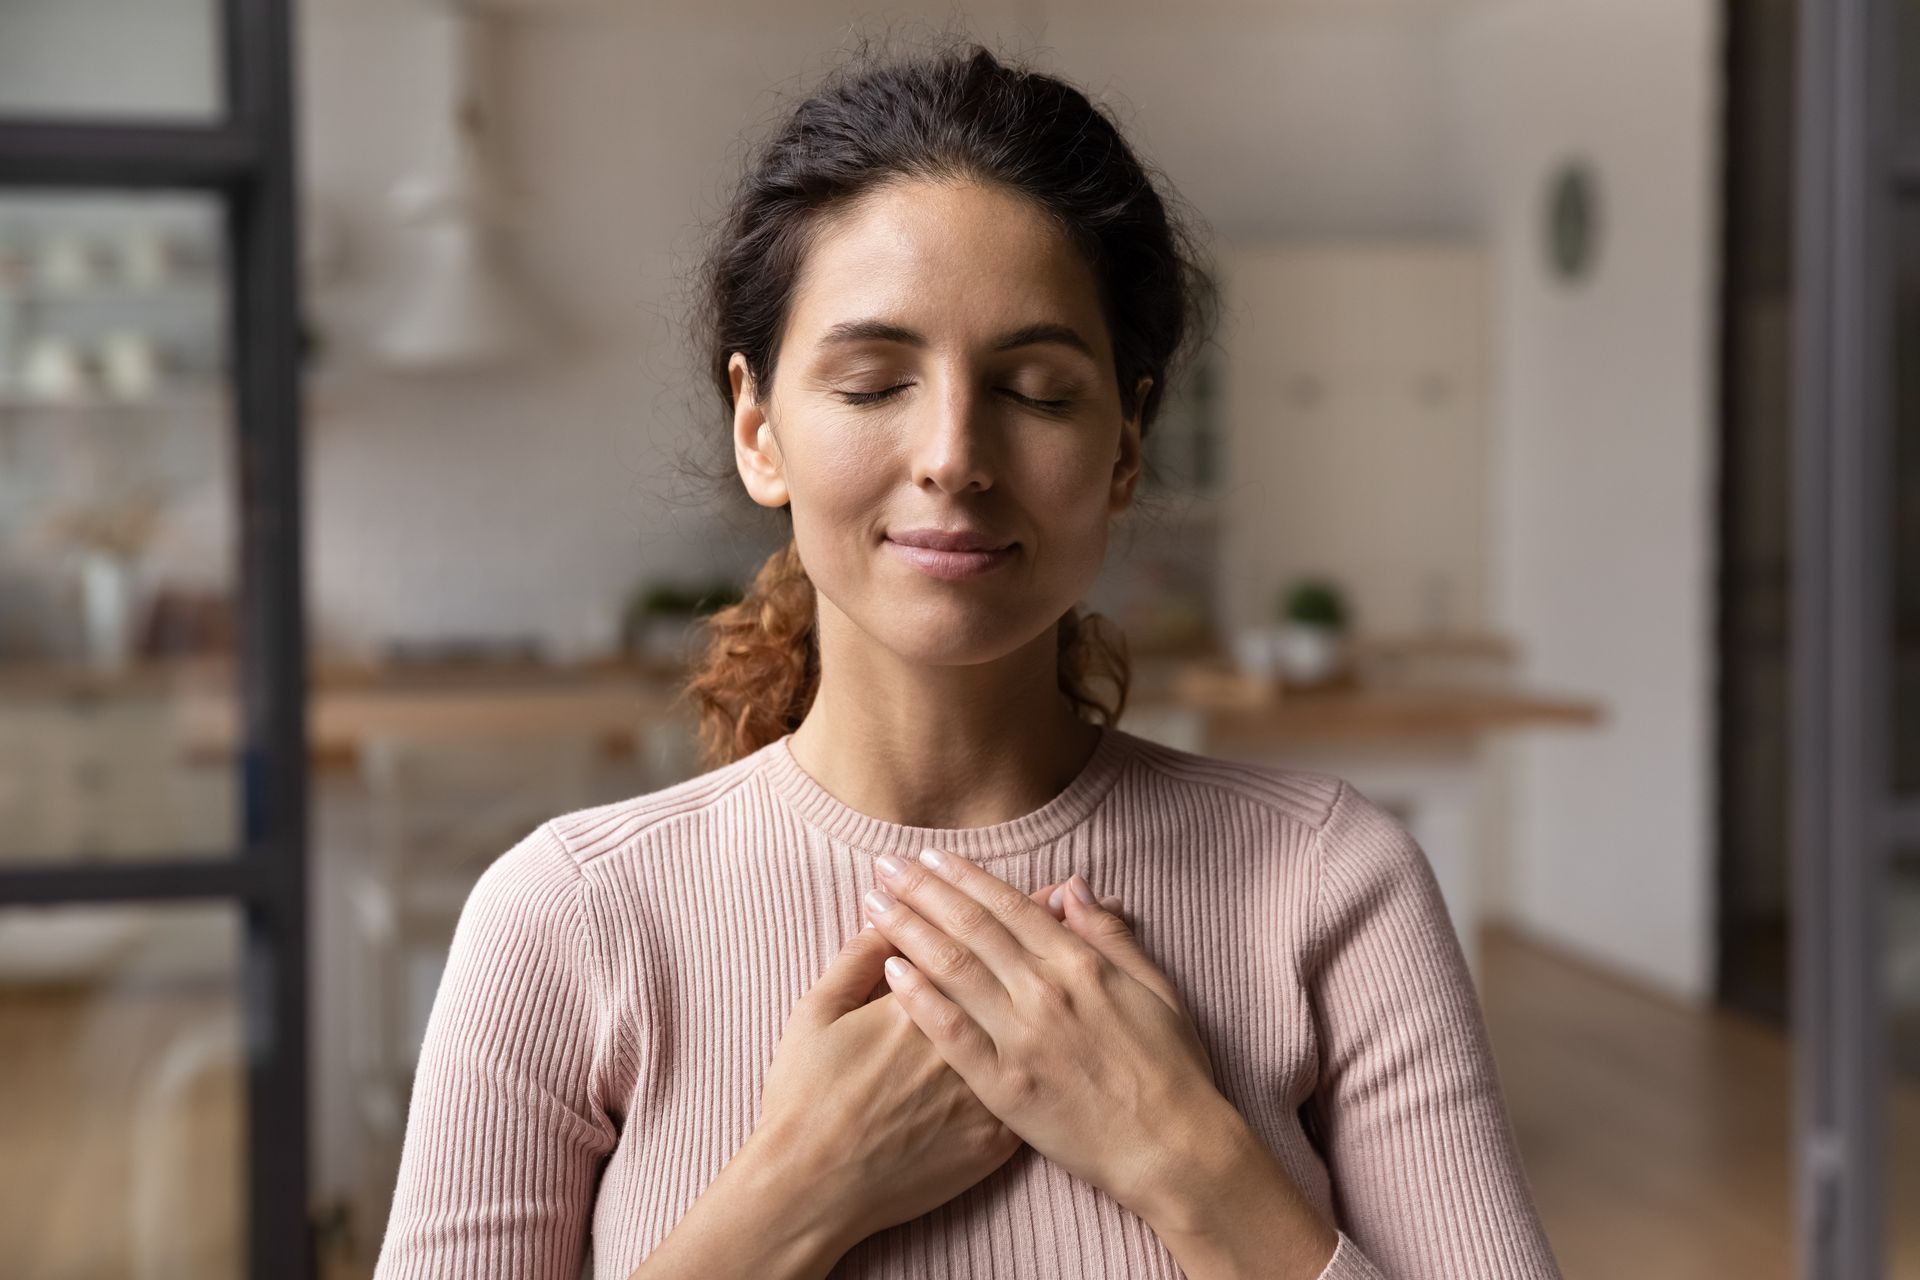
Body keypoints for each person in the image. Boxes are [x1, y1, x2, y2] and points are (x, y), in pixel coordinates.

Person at [373, 37, 1565, 1280]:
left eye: (1040, 390)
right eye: (876, 380)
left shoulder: (1331, 887)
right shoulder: (566, 919)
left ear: (1125, 443)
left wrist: (1185, 1157)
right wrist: (799, 1190)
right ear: (758, 426)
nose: (953, 452)